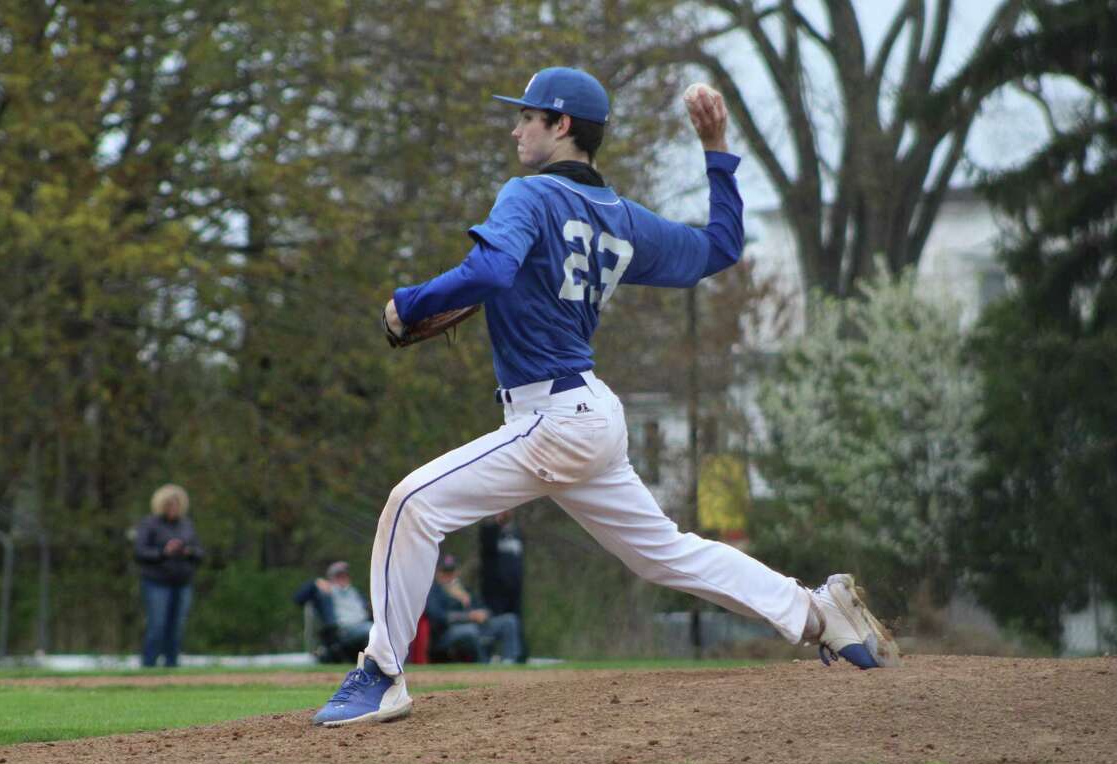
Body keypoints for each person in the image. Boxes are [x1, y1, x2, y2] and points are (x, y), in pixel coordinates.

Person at [314, 67, 899, 727]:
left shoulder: (529, 194)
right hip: (588, 413)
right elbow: (720, 247)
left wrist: (409, 303)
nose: (516, 129)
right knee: (664, 553)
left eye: (527, 117)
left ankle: (381, 673)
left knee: (412, 504)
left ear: (561, 125)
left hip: (552, 417)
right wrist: (715, 152)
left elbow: (492, 269)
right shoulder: (622, 219)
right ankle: (818, 613)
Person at [133, 483, 203, 668]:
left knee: (177, 627)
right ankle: (149, 665)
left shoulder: (186, 525)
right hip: (157, 582)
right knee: (157, 625)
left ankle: (172, 666)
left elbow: (199, 553)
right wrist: (163, 552)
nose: (173, 508)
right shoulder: (150, 524)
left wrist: (187, 551)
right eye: (169, 504)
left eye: (176, 504)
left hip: (182, 582)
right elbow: (140, 552)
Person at [424, 553, 521, 664]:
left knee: (509, 621)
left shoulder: (463, 589)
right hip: (446, 633)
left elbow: (483, 608)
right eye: (445, 571)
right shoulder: (433, 591)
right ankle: (484, 664)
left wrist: (481, 612)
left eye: (451, 571)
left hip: (477, 627)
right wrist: (468, 616)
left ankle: (509, 662)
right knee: (470, 630)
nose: (449, 575)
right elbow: (437, 616)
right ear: (438, 572)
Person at [293, 560, 373, 661]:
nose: (342, 578)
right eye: (338, 576)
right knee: (372, 631)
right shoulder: (326, 594)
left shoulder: (355, 592)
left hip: (365, 625)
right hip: (344, 631)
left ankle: (379, 663)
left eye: (344, 575)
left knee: (380, 630)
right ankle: (369, 663)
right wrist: (314, 582)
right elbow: (297, 599)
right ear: (331, 578)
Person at [478, 510, 526, 661]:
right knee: (493, 626)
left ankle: (516, 658)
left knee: (515, 623)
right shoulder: (489, 531)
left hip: (514, 591)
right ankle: (486, 658)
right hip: (494, 593)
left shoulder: (516, 533)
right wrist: (497, 521)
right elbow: (487, 546)